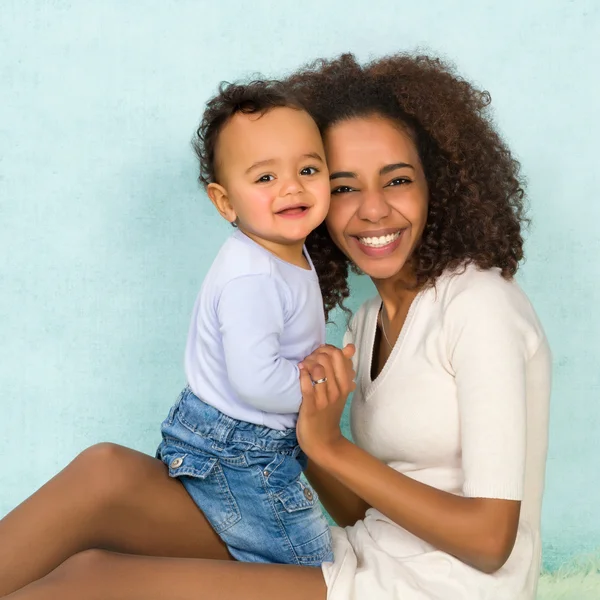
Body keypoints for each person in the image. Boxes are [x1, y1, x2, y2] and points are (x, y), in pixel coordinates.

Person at [0, 53, 551, 600]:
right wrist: (297, 427)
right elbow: (366, 510)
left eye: (397, 180)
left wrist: (327, 445)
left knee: (91, 584)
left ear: (439, 186)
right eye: (341, 187)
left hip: (440, 587)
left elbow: (489, 540)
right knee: (106, 475)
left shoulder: (480, 305)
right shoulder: (366, 321)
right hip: (365, 552)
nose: (374, 210)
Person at [155, 80, 337, 566]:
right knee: (310, 568)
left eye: (307, 169)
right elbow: (255, 380)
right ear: (225, 202)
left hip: (235, 441)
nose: (292, 187)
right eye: (264, 178)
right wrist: (323, 390)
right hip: (238, 451)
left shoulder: (278, 249)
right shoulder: (251, 275)